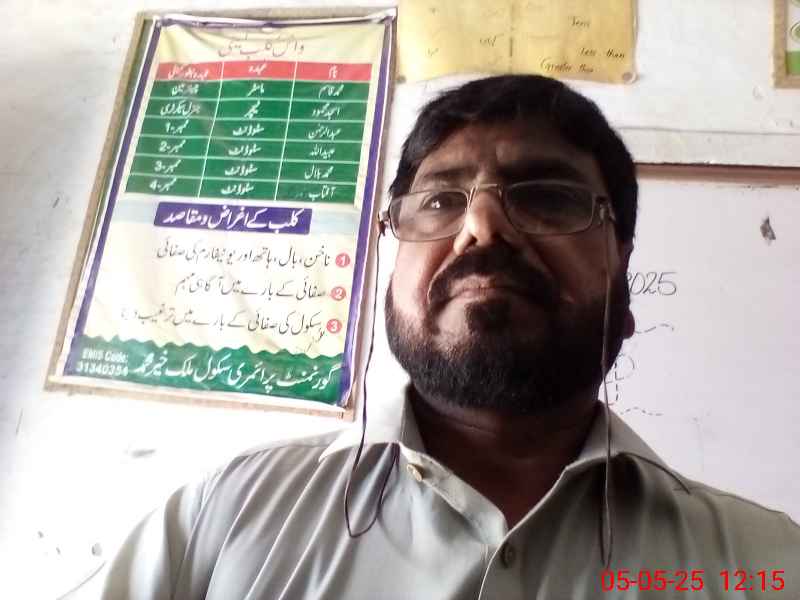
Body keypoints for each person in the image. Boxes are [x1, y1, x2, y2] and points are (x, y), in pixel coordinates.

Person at [101, 76, 800, 599]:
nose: (483, 228)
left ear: (622, 274)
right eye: (439, 200)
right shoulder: (225, 518)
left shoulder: (768, 566)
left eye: (546, 197)